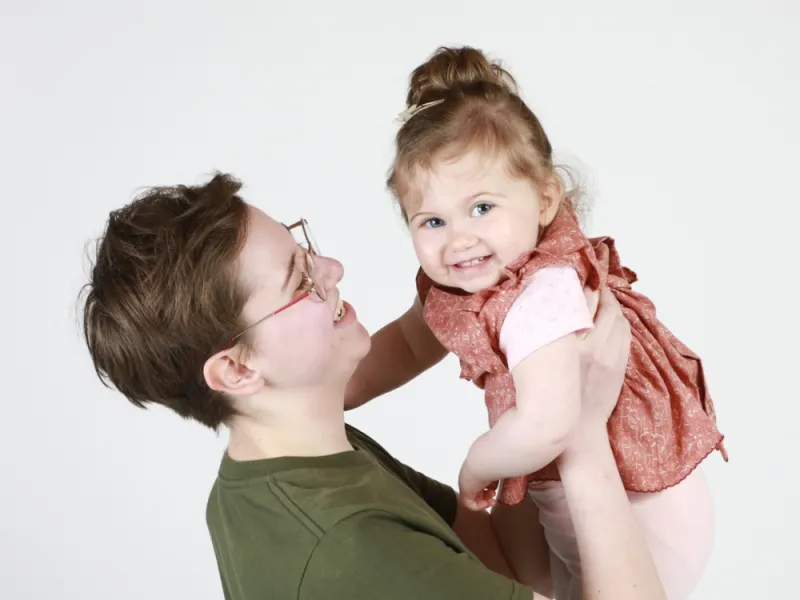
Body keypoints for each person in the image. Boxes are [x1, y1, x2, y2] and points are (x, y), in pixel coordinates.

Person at [80, 172, 666, 599]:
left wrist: (527, 397)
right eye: (298, 281)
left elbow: (502, 567)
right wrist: (581, 434)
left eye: (303, 246)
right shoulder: (348, 547)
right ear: (236, 370)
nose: (330, 270)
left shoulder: (283, 468)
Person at [344, 46, 725, 599]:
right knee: (508, 571)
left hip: (644, 512)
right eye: (432, 220)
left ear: (545, 199)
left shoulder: (542, 292)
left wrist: (475, 467)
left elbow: (549, 423)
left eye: (481, 208)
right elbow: (406, 343)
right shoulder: (466, 286)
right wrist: (333, 393)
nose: (459, 239)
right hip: (560, 492)